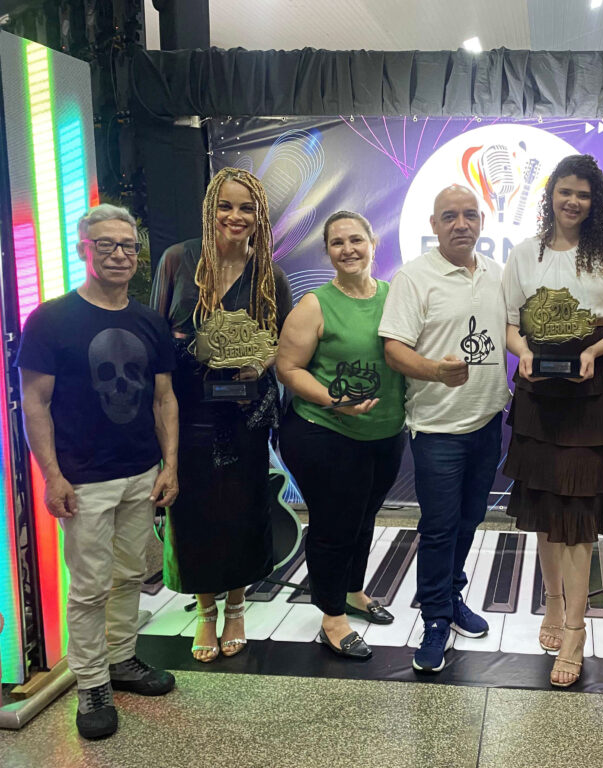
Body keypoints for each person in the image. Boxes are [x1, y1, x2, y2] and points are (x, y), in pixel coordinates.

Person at [17, 204, 178, 739]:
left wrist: (170, 464)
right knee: (88, 587)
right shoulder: (50, 319)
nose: (119, 254)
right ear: (83, 249)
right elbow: (35, 402)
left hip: (140, 471)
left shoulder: (149, 321)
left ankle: (121, 659)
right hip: (83, 479)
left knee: (130, 574)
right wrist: (52, 475)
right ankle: (91, 684)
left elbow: (163, 398)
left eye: (128, 245)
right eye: (105, 244)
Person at [503, 154, 603, 687]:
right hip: (540, 394)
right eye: (565, 191)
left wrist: (595, 351)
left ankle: (575, 629)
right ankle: (552, 601)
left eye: (583, 194)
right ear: (551, 195)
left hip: (591, 389)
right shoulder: (526, 252)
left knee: (580, 514)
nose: (573, 201)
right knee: (546, 508)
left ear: (595, 200)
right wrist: (523, 352)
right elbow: (510, 324)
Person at [151, 167, 293, 662]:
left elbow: (285, 342)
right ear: (210, 209)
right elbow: (155, 340)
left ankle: (236, 607)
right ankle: (205, 611)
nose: (235, 216)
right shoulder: (177, 260)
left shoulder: (269, 274)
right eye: (225, 206)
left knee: (242, 509)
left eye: (246, 208)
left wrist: (261, 361)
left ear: (260, 217)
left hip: (245, 414)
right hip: (187, 412)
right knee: (192, 514)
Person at [378, 184, 509, 673]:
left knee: (470, 520)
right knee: (438, 528)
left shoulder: (497, 273)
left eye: (470, 215)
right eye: (449, 216)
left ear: (482, 222)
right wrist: (435, 370)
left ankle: (452, 597)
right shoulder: (413, 277)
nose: (461, 224)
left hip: (487, 422)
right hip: (436, 429)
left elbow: (514, 331)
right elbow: (394, 349)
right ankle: (434, 619)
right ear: (433, 224)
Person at [277, 211, 406, 660]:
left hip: (384, 433)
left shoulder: (394, 297)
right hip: (325, 432)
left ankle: (353, 592)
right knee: (334, 525)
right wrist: (336, 399)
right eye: (337, 243)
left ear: (373, 242)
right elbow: (288, 368)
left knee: (364, 517)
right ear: (328, 252)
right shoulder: (314, 305)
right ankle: (331, 617)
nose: (348, 249)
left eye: (356, 240)